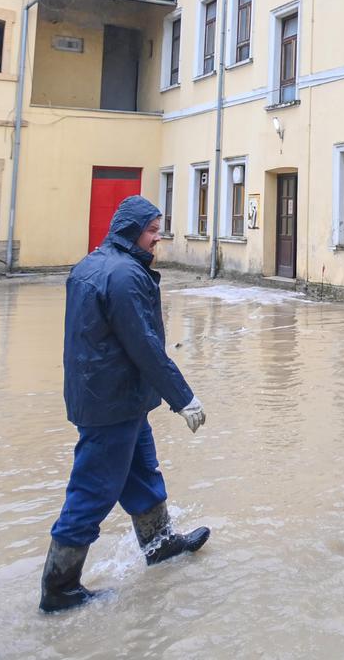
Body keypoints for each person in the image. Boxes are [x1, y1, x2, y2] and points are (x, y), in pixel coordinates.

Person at [39, 195, 211, 613]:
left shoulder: (92, 265)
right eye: (152, 230)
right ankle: (60, 588)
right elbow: (145, 347)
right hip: (112, 404)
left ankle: (161, 544)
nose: (158, 238)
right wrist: (183, 397)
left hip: (111, 397)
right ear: (131, 230)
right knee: (92, 490)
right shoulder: (124, 275)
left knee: (141, 474)